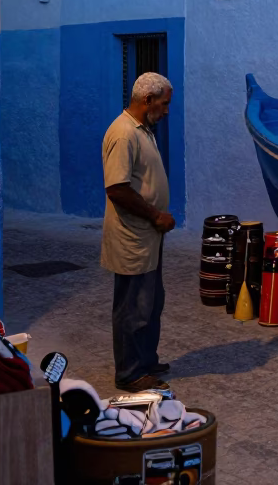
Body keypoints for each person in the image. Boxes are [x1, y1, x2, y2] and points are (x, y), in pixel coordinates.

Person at [101, 72, 175, 392]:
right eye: (164, 103)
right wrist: (155, 214)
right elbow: (117, 188)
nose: (167, 110)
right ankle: (130, 373)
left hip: (147, 236)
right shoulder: (123, 133)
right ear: (148, 100)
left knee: (151, 302)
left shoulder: (143, 130)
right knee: (133, 306)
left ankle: (145, 360)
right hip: (133, 236)